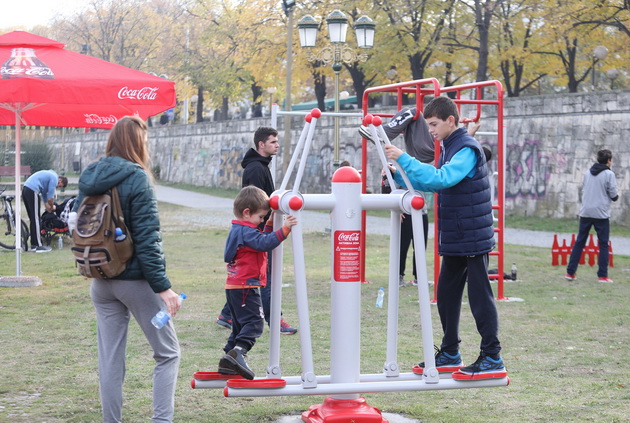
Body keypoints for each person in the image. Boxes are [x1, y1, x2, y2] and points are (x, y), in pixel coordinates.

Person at [384, 96, 505, 379]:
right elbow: (433, 182)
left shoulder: (466, 149)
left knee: (479, 297)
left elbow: (442, 179)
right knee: (446, 294)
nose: (431, 131)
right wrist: (400, 175)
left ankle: (492, 356)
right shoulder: (450, 147)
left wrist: (404, 158)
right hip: (456, 234)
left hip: (472, 235)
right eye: (428, 125)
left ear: (452, 120)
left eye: (434, 124)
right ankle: (450, 352)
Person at [72, 116, 181, 423]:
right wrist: (163, 287)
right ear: (137, 142)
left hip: (100, 278)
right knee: (168, 353)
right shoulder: (137, 178)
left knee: (110, 360)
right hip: (135, 283)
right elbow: (148, 239)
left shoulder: (91, 174)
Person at [217, 127, 298, 335]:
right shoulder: (255, 169)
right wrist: (264, 229)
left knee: (253, 277)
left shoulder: (261, 166)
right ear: (261, 144)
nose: (277, 145)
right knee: (265, 277)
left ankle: (227, 314)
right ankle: (275, 319)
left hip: (259, 232)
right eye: (272, 142)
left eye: (277, 141)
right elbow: (253, 204)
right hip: (256, 236)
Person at [218, 186, 297, 379]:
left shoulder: (239, 229)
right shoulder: (246, 231)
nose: (262, 221)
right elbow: (264, 243)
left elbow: (260, 237)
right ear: (247, 213)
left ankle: (228, 360)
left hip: (235, 287)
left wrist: (270, 223)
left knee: (239, 326)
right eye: (261, 217)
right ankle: (238, 353)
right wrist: (285, 229)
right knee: (254, 323)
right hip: (246, 286)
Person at [565, 149, 618, 283]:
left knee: (580, 242)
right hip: (601, 213)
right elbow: (613, 195)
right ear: (608, 161)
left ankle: (570, 273)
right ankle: (602, 275)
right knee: (603, 244)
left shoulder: (587, 173)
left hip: (586, 212)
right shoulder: (609, 174)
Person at [22, 169, 67, 252]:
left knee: (33, 219)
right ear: (60, 180)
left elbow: (44, 195)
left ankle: (33, 245)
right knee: (36, 219)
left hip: (26, 189)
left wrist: (47, 207)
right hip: (32, 190)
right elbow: (50, 198)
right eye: (60, 185)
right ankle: (38, 245)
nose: (58, 187)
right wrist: (52, 206)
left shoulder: (48, 176)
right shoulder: (54, 178)